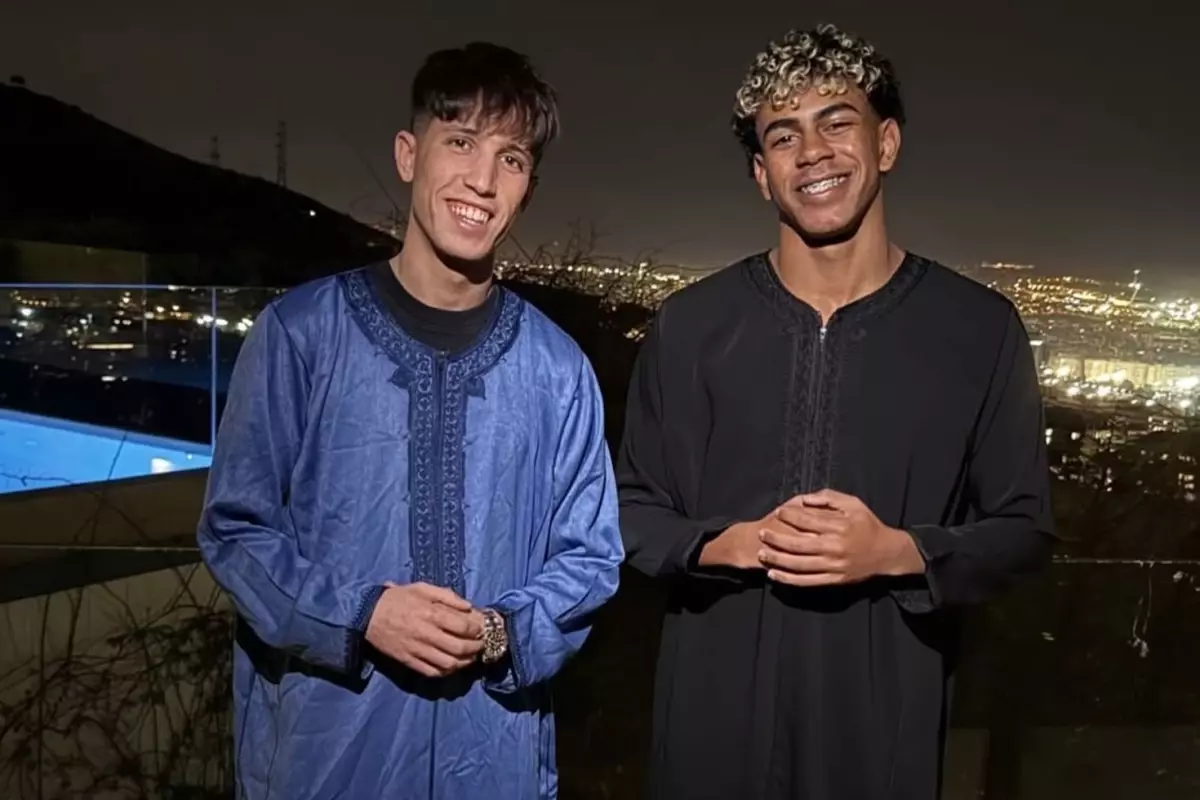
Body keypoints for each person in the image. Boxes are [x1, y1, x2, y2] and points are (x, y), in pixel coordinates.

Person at [617, 23, 1055, 800]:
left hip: (881, 728)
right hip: (712, 723)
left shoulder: (979, 330)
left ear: (886, 143)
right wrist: (727, 544)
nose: (812, 152)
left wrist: (898, 551)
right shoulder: (691, 325)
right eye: (784, 135)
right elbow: (629, 508)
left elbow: (1023, 530)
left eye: (836, 122)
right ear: (762, 174)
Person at [197, 42, 623, 799]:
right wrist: (364, 614)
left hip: (493, 763)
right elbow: (237, 530)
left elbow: (591, 559)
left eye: (512, 159)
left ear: (527, 189)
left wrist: (500, 631)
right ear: (408, 154)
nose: (482, 180)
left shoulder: (559, 370)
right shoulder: (301, 335)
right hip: (326, 758)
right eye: (460, 142)